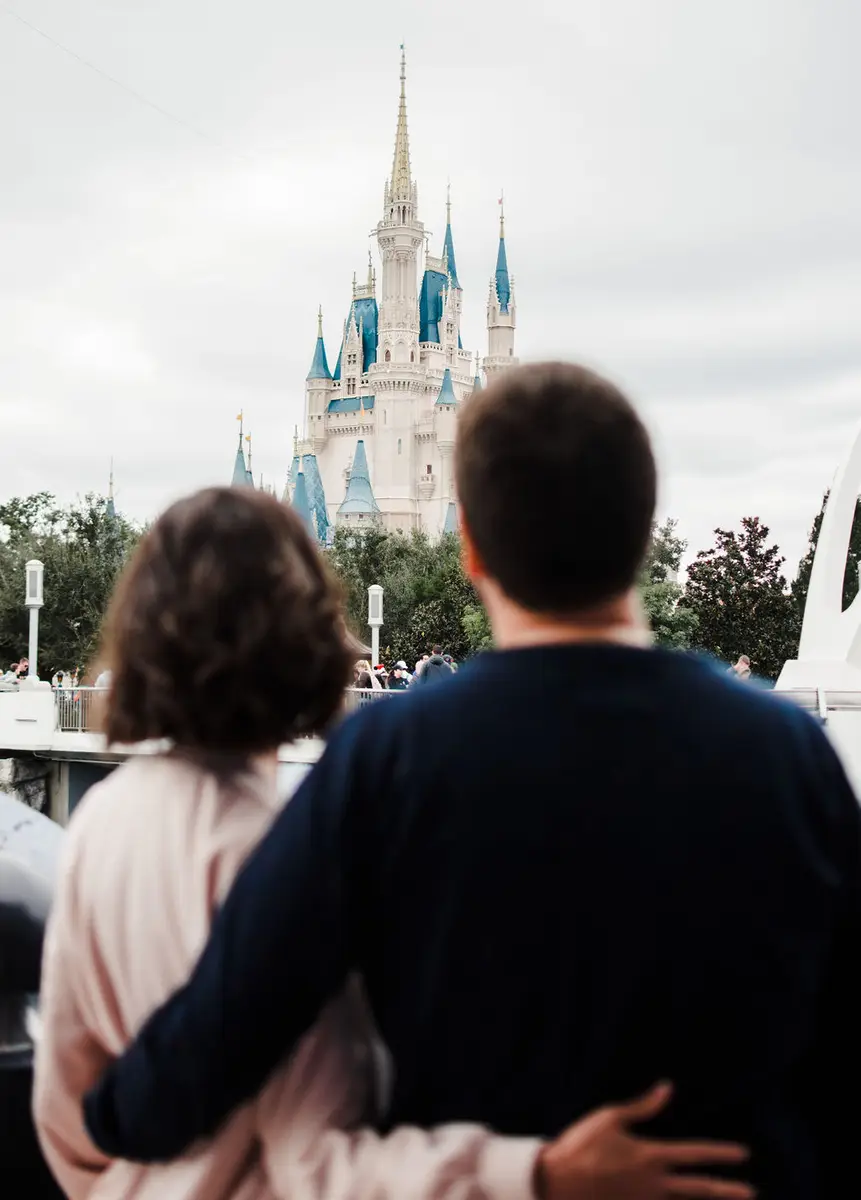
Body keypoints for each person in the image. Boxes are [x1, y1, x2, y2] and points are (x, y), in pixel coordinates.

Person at [81, 362, 859, 1197]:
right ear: (641, 533)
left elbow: (223, 1030)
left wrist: (113, 1114)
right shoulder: (789, 752)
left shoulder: (389, 759)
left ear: (471, 547)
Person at [34, 486, 747, 1200]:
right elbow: (316, 1165)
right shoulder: (273, 847)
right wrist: (538, 1174)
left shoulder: (103, 818)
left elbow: (65, 1110)